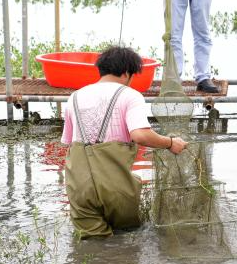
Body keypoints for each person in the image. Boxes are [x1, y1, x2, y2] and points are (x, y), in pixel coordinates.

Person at [61, 46, 187, 238]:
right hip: (116, 189)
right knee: (127, 241)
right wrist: (170, 143)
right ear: (127, 72)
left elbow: (68, 142)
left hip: (79, 189)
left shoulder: (74, 98)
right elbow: (140, 135)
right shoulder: (129, 95)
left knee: (92, 245)